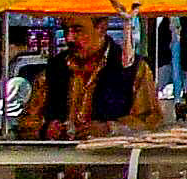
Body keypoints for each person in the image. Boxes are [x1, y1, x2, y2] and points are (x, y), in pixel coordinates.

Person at [18, 15, 165, 139]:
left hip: (113, 167)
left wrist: (110, 129)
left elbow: (151, 121)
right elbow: (25, 123)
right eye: (65, 30)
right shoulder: (53, 69)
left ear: (101, 28)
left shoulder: (134, 69)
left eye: (77, 30)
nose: (69, 38)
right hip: (60, 166)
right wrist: (45, 129)